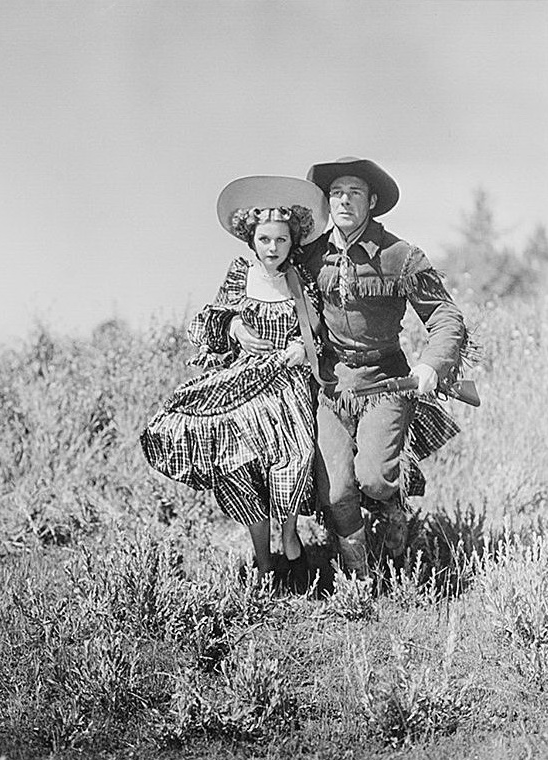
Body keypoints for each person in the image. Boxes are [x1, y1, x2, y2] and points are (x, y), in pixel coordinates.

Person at [229, 157, 476, 576]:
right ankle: (360, 578)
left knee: (375, 479)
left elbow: (446, 317)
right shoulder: (309, 256)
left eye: (354, 192)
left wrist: (432, 365)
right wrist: (234, 321)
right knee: (337, 489)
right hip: (332, 383)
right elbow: (262, 276)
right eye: (336, 193)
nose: (343, 200)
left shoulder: (402, 256)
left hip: (387, 381)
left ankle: (392, 504)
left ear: (372, 201)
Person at [140, 175, 329, 588]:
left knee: (295, 461)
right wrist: (234, 326)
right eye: (265, 239)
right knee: (242, 470)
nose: (273, 248)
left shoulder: (302, 280)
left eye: (281, 240)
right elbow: (204, 322)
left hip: (289, 389)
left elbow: (320, 332)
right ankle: (264, 567)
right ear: (252, 240)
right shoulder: (239, 275)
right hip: (244, 385)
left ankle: (291, 540)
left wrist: (302, 348)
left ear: (292, 241)